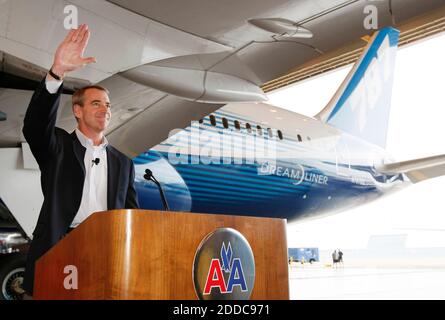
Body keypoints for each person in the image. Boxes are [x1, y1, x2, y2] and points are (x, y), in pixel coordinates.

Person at [22, 24, 139, 297]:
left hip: (105, 256)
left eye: (108, 105)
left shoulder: (123, 163)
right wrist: (57, 72)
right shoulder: (58, 147)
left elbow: (130, 217)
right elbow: (35, 125)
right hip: (58, 249)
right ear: (77, 110)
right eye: (96, 103)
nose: (105, 109)